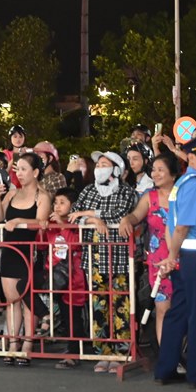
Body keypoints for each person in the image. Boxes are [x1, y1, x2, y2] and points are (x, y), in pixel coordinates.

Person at [151, 129, 196, 388]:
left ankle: (166, 368)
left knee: (179, 312)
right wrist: (172, 256)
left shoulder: (183, 183)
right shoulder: (195, 185)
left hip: (186, 257)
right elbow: (182, 226)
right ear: (191, 158)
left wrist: (173, 256)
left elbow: (172, 225)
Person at [71, 151, 137, 373]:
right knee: (98, 305)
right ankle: (103, 352)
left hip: (119, 257)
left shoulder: (126, 191)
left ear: (116, 170)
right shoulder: (88, 190)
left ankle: (121, 352)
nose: (99, 168)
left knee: (121, 305)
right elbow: (73, 214)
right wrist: (92, 219)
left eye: (104, 164)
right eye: (98, 164)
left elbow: (120, 214)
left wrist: (91, 215)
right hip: (94, 258)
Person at [0, 153, 52, 366]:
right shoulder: (11, 194)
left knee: (28, 301)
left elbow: (40, 221)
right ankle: (12, 343)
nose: (19, 173)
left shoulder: (42, 196)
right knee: (11, 301)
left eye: (24, 169)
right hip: (10, 251)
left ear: (35, 172)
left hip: (30, 252)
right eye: (17, 169)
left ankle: (28, 344)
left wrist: (18, 220)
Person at [119, 153, 179, 346]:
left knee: (182, 308)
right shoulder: (149, 196)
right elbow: (136, 216)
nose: (155, 174)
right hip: (158, 261)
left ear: (173, 174)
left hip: (182, 257)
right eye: (153, 170)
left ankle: (184, 351)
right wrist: (126, 220)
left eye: (161, 170)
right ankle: (167, 353)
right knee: (162, 309)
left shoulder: (184, 195)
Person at [44, 187, 88, 367]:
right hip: (54, 275)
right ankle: (72, 345)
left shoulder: (77, 224)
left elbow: (75, 243)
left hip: (74, 278)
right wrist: (44, 227)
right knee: (64, 313)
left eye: (62, 203)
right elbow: (43, 244)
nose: (57, 206)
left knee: (72, 315)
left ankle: (74, 352)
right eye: (55, 202)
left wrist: (62, 225)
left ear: (73, 205)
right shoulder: (52, 224)